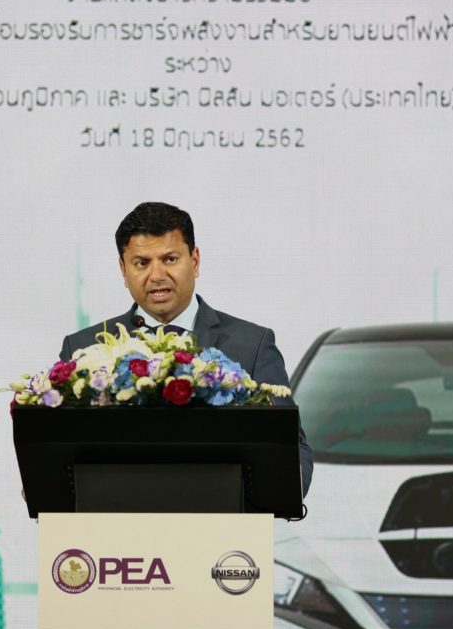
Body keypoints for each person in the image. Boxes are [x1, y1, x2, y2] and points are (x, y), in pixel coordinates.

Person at [59, 201, 313, 496]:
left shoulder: (252, 346)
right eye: (142, 263)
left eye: (170, 259)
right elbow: (59, 449)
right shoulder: (84, 348)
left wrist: (277, 487)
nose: (157, 275)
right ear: (123, 270)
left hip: (221, 516)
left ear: (195, 261)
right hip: (114, 516)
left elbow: (290, 448)